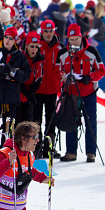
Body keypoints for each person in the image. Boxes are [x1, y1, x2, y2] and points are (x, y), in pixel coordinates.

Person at [56, 23, 105, 163]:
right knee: (70, 121)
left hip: (88, 92)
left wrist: (89, 77)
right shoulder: (62, 53)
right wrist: (63, 76)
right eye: (71, 40)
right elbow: (57, 71)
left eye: (76, 39)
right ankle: (71, 152)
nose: (73, 42)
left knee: (90, 122)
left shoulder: (92, 51)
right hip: (70, 92)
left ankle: (91, 152)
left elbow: (101, 71)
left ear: (81, 37)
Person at [0, 26, 31, 144]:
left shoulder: (19, 56)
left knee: (9, 128)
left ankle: (7, 152)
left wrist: (14, 73)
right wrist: (0, 72)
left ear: (15, 40)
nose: (7, 40)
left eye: (10, 38)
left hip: (11, 97)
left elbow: (26, 74)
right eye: (6, 37)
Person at [35, 20, 64, 158]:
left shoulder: (60, 48)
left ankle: (50, 147)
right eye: (45, 31)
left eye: (50, 30)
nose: (48, 33)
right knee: (37, 119)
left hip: (53, 89)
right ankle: (37, 146)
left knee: (51, 119)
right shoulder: (36, 45)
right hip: (37, 89)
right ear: (41, 31)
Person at [19, 31, 44, 124]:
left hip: (29, 95)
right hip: (19, 94)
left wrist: (32, 91)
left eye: (36, 47)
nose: (34, 49)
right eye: (32, 46)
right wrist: (27, 92)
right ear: (26, 46)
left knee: (29, 123)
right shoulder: (20, 57)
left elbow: (39, 77)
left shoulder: (40, 59)